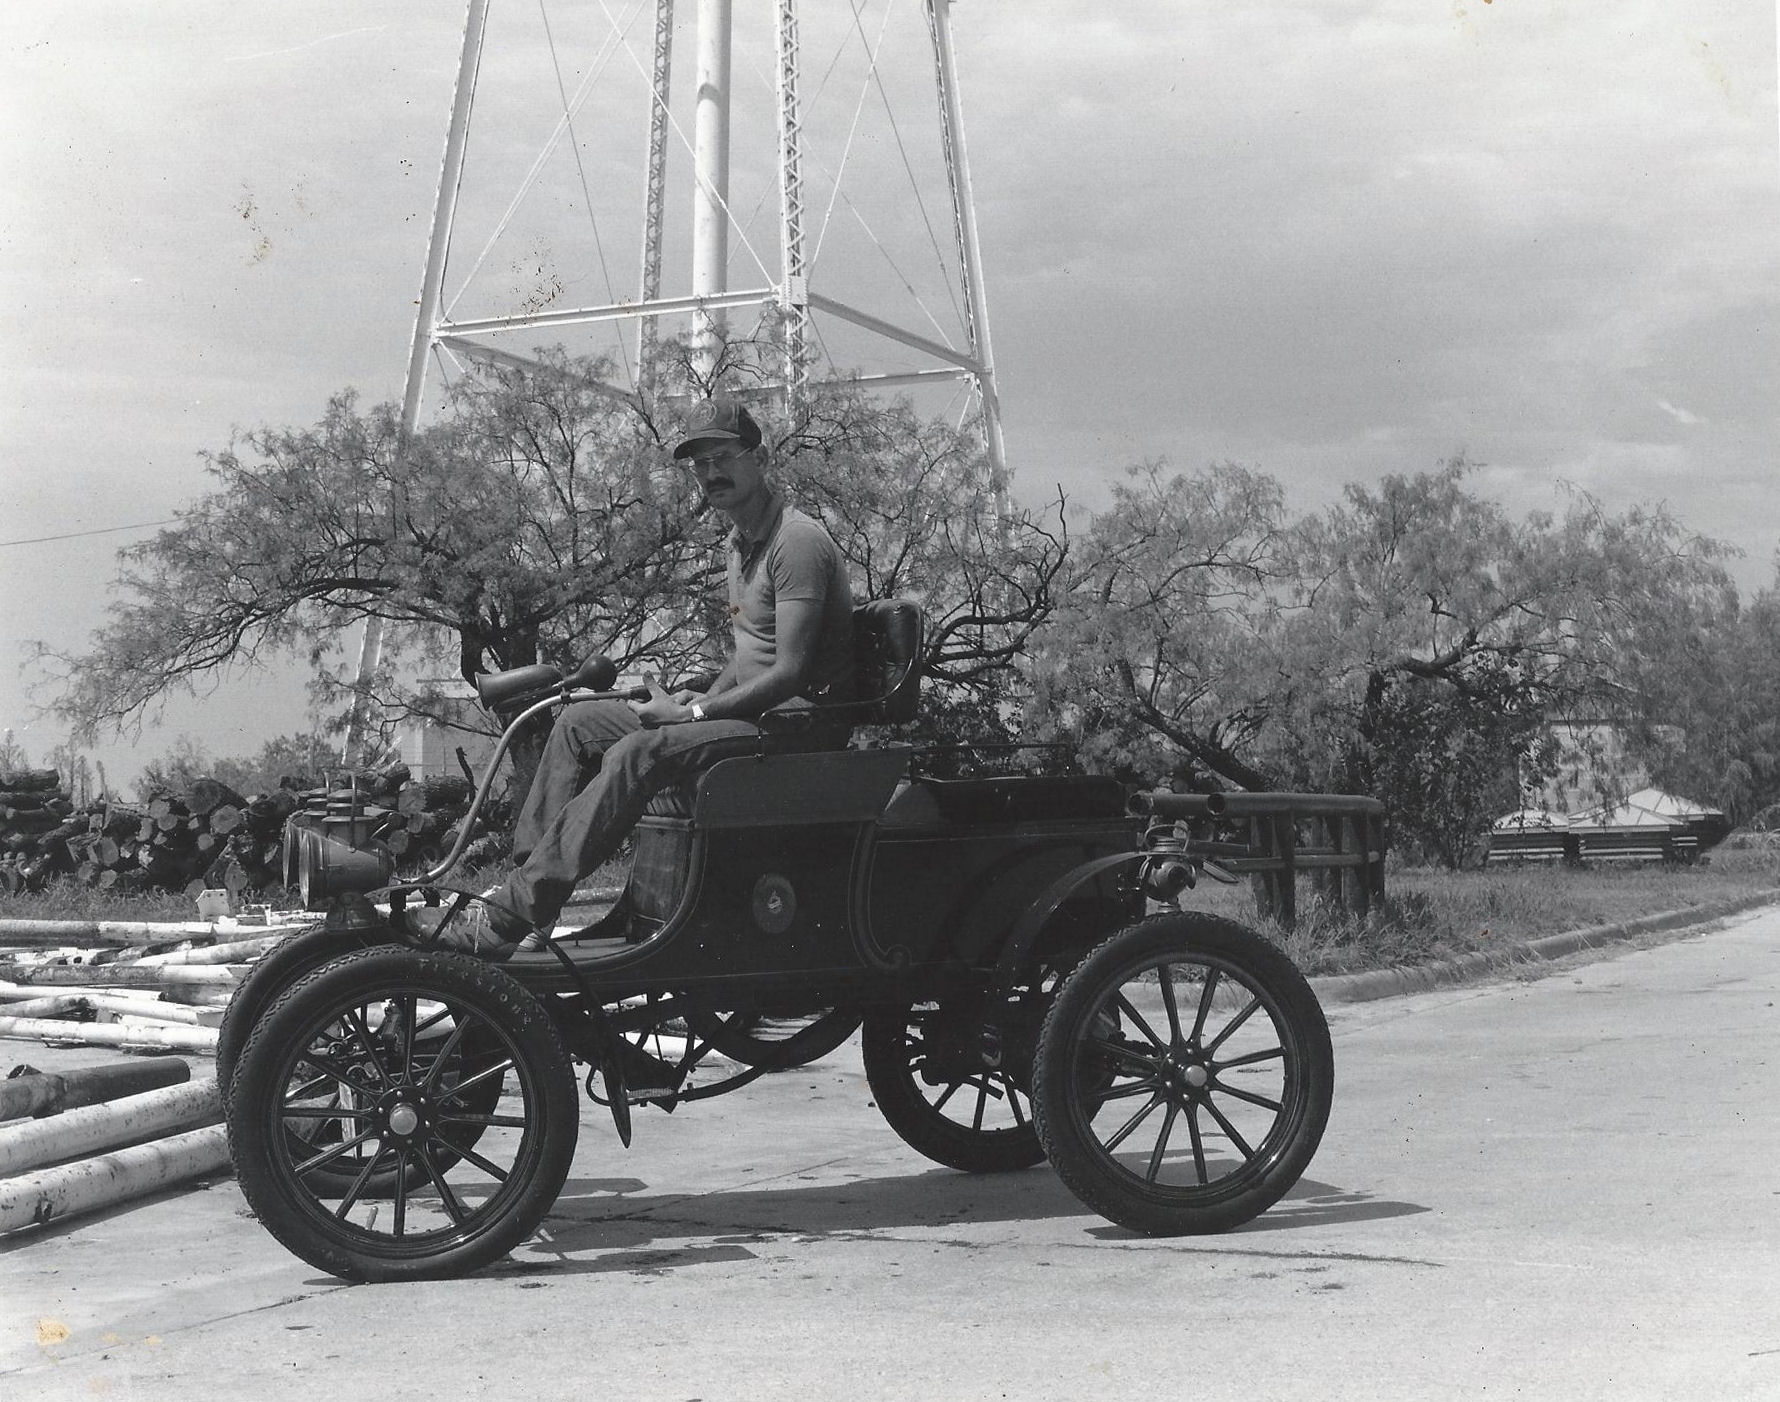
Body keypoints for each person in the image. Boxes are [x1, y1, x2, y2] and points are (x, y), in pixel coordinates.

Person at [431, 396, 856, 959]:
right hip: (750, 713)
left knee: (641, 751)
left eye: (722, 457)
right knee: (580, 721)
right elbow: (753, 650)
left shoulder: (796, 542)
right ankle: (525, 897)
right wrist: (706, 690)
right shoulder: (739, 542)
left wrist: (692, 715)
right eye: (699, 463)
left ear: (760, 457)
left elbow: (790, 671)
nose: (710, 473)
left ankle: (511, 916)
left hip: (798, 725)